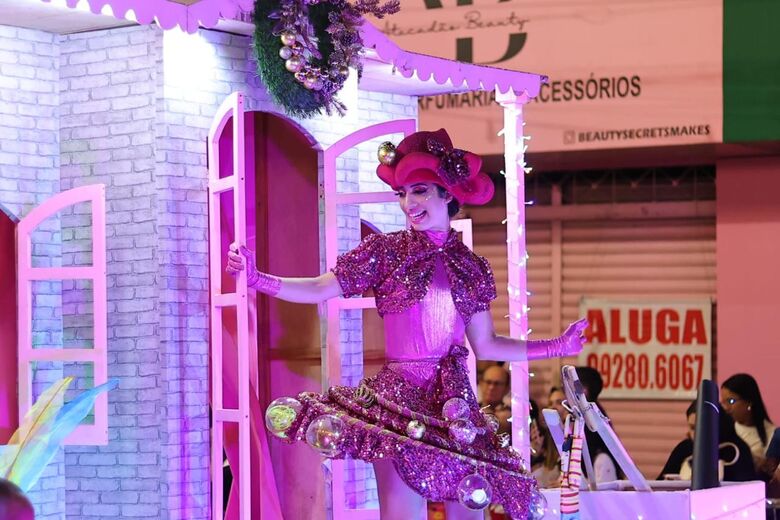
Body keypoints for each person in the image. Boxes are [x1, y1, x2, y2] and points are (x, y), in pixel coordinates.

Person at [227, 129, 588, 520]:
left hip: (456, 408)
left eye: (419, 191)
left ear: (448, 194)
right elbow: (320, 288)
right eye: (402, 193)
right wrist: (259, 279)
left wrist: (556, 347)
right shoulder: (385, 252)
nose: (408, 203)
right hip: (398, 403)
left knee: (469, 512)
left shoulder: (472, 267)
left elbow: (488, 346)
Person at [658, 401, 755, 482]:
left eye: (700, 427)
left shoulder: (737, 451)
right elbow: (660, 484)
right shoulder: (685, 448)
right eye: (692, 428)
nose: (694, 433)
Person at [720, 374, 775, 468]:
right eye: (723, 402)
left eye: (731, 401)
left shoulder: (772, 433)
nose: (725, 408)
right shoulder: (723, 430)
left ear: (749, 401)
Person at [574, 366, 618, 484]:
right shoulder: (581, 418)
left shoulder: (593, 421)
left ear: (584, 391)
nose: (565, 394)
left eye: (568, 388)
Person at [478, 364, 511, 435]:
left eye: (497, 383)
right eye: (488, 382)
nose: (491, 387)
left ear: (507, 388)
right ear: (481, 383)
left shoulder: (513, 416)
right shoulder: (470, 412)